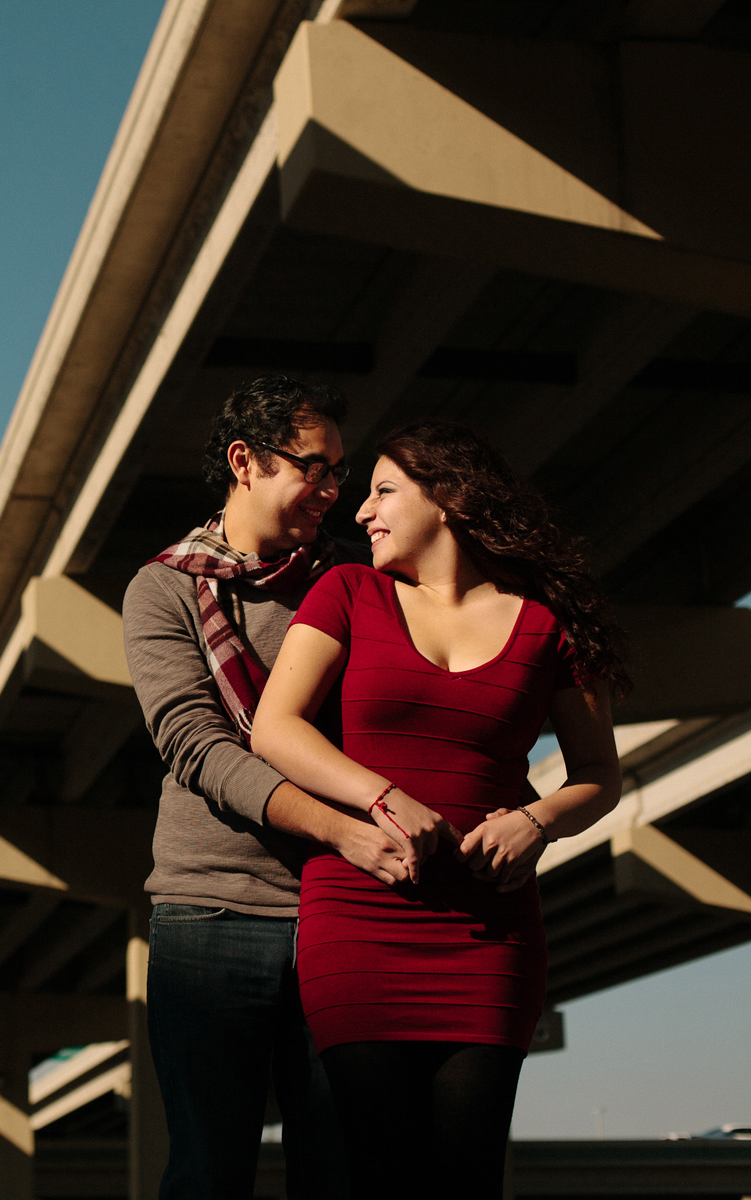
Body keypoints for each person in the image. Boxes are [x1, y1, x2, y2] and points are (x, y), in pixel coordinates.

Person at [250, 421, 626, 1200]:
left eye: (383, 491)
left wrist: (538, 819)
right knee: (379, 1174)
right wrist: (380, 794)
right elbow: (274, 728)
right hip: (359, 920)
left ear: (448, 497)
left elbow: (597, 775)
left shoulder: (548, 624)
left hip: (489, 935)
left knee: (468, 1178)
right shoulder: (347, 592)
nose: (361, 513)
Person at [124, 375, 412, 1200]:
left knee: (343, 1171)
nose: (331, 492)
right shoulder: (165, 588)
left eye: (339, 474)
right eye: (312, 468)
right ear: (244, 461)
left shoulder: (353, 584)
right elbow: (196, 745)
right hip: (210, 916)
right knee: (210, 1172)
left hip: (340, 911)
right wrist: (344, 828)